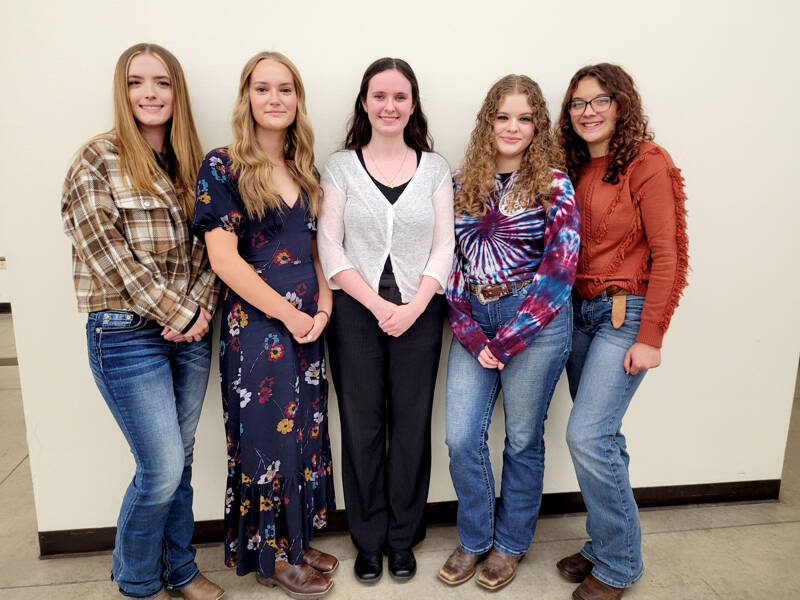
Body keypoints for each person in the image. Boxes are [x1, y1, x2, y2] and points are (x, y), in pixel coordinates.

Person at [61, 43, 223, 600]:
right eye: (136, 82)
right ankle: (136, 581)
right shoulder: (96, 159)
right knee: (161, 469)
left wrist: (198, 310)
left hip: (192, 335)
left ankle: (180, 570)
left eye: (161, 82)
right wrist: (180, 312)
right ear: (122, 91)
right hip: (125, 333)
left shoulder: (195, 165)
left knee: (182, 462)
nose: (149, 94)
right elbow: (107, 256)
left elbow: (214, 251)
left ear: (178, 92)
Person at [193, 51, 336, 600]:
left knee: (303, 435)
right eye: (262, 88)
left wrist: (322, 310)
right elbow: (225, 262)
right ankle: (271, 556)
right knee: (265, 441)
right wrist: (291, 314)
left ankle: (296, 540)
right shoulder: (223, 166)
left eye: (285, 89)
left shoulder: (305, 169)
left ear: (298, 99)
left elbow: (317, 253)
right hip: (257, 329)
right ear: (246, 97)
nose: (275, 99)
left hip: (308, 325)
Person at [437, 75, 580, 591]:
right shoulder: (461, 184)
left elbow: (561, 268)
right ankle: (475, 538)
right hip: (473, 319)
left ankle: (510, 545)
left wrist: (510, 338)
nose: (512, 127)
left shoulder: (555, 185)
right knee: (460, 437)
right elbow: (449, 261)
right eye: (502, 117)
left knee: (522, 438)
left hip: (536, 322)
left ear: (538, 125)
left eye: (524, 118)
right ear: (487, 122)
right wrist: (473, 334)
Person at [317, 57, 454, 584]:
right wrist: (379, 307)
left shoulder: (435, 168)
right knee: (362, 423)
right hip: (355, 311)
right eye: (380, 96)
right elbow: (329, 246)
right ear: (364, 102)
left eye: (400, 97)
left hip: (422, 310)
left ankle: (403, 537)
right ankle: (368, 539)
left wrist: (413, 307)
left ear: (413, 105)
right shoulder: (340, 167)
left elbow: (445, 245)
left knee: (413, 423)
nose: (389, 106)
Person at [555, 63, 689, 600]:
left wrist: (651, 336)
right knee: (602, 438)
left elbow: (670, 254)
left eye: (599, 100)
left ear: (621, 105)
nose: (587, 112)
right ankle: (605, 542)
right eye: (577, 103)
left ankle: (619, 563)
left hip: (623, 315)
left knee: (587, 435)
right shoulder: (572, 167)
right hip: (577, 316)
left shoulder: (648, 163)